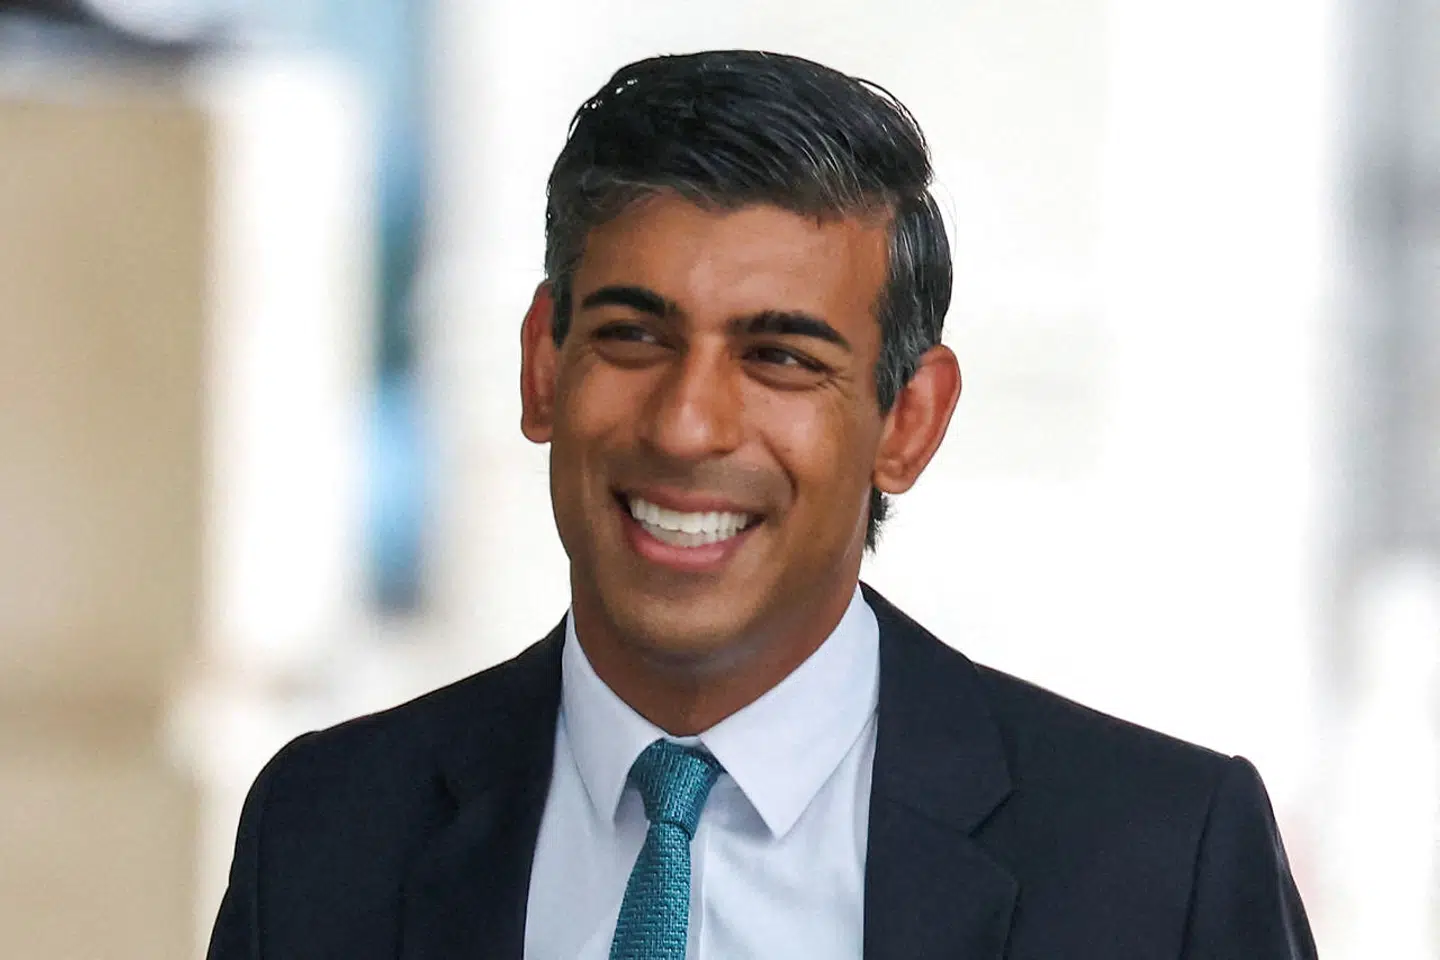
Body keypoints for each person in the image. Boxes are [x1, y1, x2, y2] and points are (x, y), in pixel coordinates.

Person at [207, 50, 1316, 959]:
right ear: (543, 367)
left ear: (908, 422)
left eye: (781, 357)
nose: (687, 426)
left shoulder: (1158, 865)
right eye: (633, 337)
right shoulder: (325, 833)